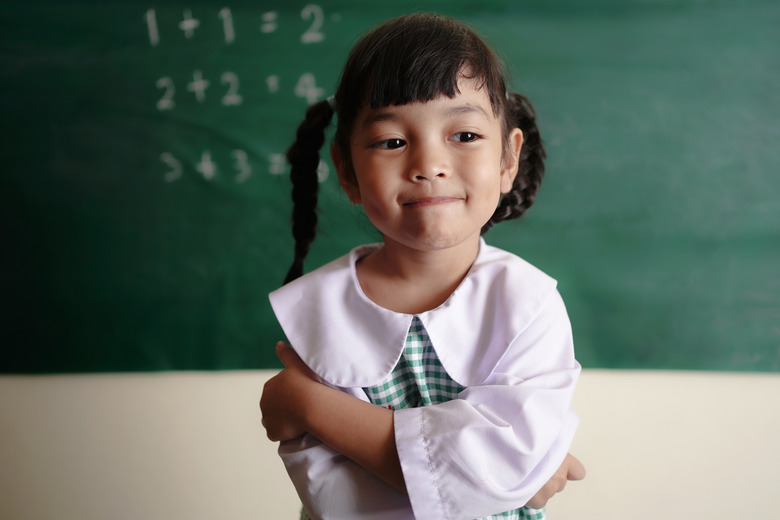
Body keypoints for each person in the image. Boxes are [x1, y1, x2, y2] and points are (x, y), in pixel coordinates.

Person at [260, 13, 584, 520]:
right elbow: (334, 496)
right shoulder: (318, 309)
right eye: (392, 141)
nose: (428, 164)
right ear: (346, 170)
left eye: (465, 135)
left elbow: (501, 469)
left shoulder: (528, 302)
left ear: (507, 159)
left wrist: (311, 405)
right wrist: (503, 479)